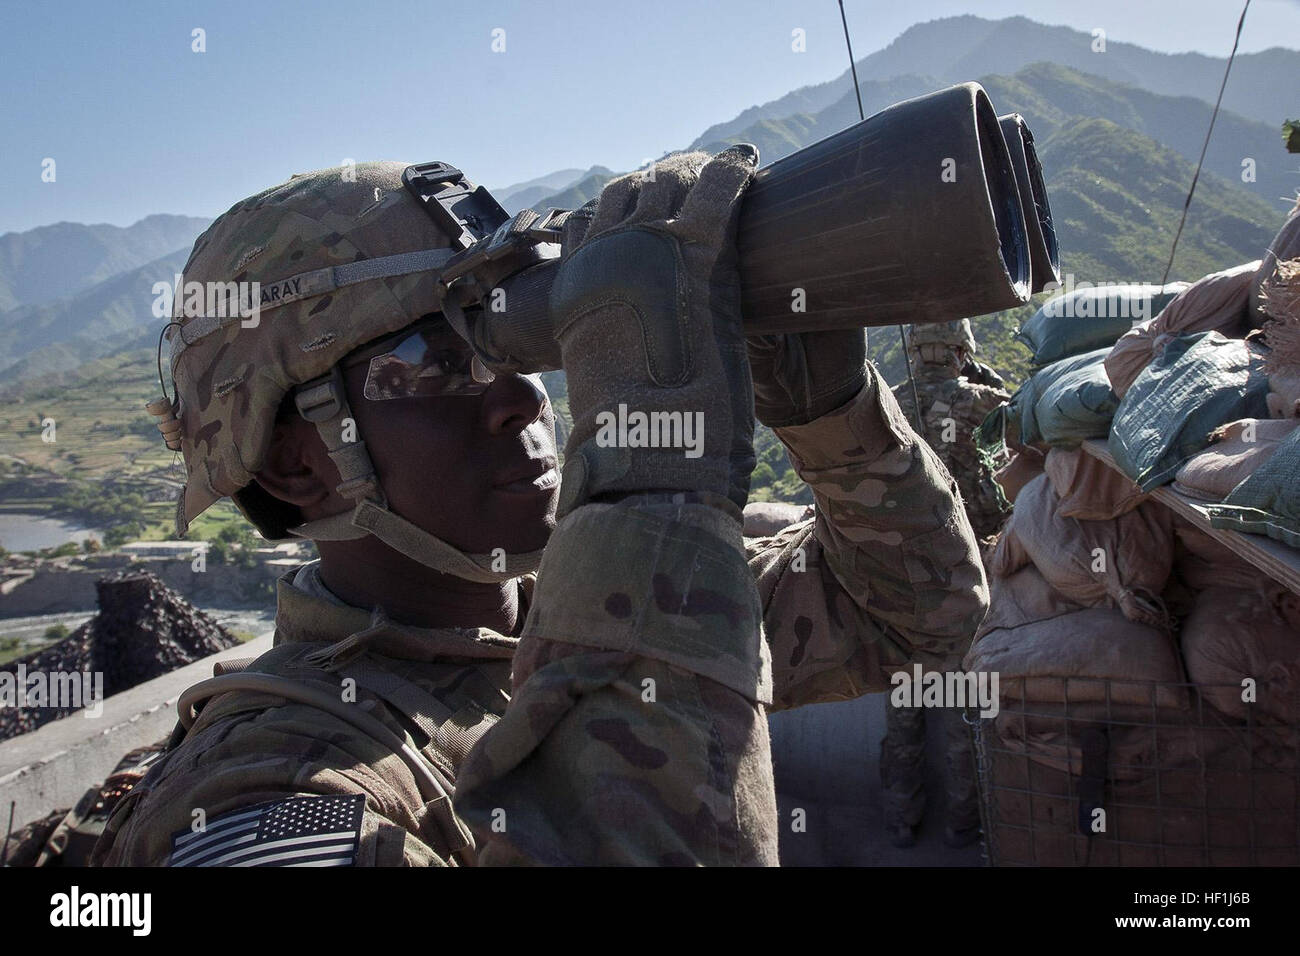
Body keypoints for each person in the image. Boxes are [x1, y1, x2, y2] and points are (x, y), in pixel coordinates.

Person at [91, 153, 986, 866]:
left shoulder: (557, 613)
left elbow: (913, 612)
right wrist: (653, 485)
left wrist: (825, 405)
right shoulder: (276, 791)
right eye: (432, 362)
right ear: (298, 466)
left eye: (522, 339)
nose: (522, 397)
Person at [879, 319, 1010, 849]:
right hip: (966, 576)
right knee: (962, 708)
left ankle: (901, 821)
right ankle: (963, 826)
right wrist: (980, 376)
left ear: (913, 350)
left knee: (903, 705)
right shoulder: (980, 401)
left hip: (902, 576)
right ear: (961, 350)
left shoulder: (888, 403)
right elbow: (1021, 418)